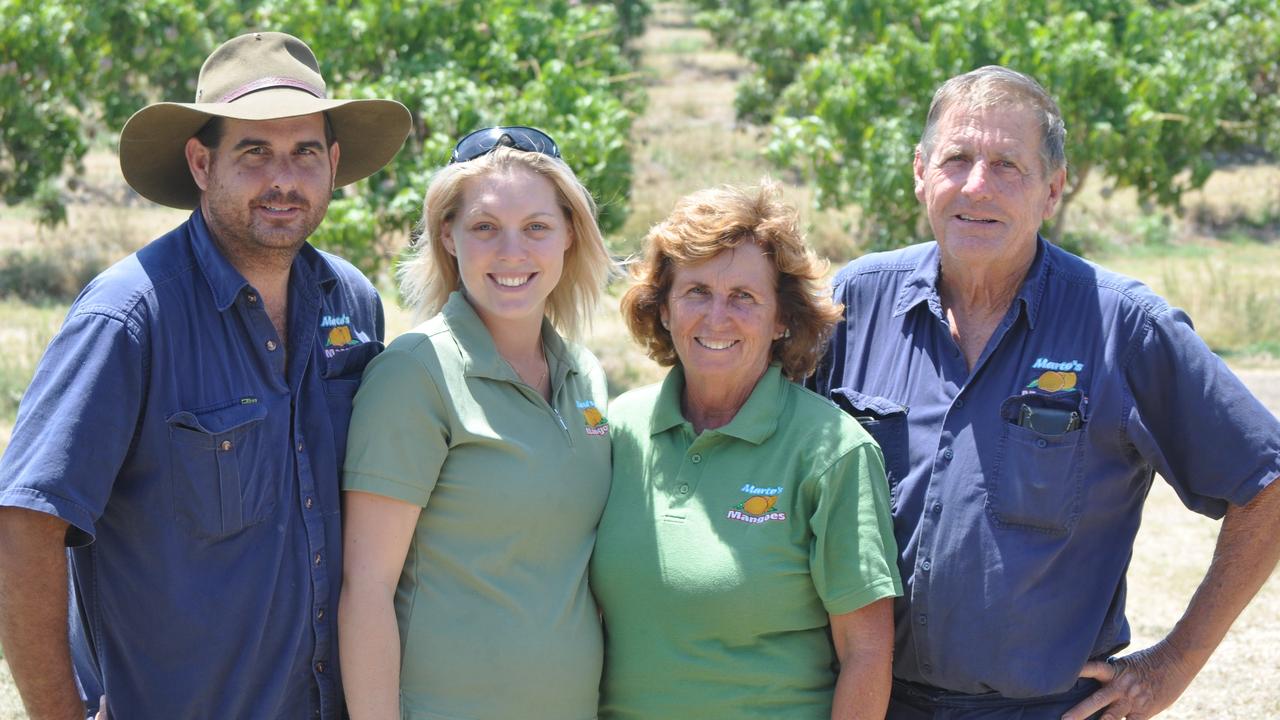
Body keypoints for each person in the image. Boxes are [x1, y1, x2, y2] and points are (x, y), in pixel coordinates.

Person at [808, 65, 1280, 720]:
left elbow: (1266, 483)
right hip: (867, 702)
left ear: (1053, 189)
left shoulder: (1124, 326)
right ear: (920, 172)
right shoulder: (852, 304)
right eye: (957, 159)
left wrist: (1171, 666)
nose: (977, 185)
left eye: (1008, 165)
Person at [0, 32, 410, 719]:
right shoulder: (129, 318)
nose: (284, 178)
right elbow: (25, 524)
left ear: (334, 164)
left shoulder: (352, 304)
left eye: (305, 151)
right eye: (254, 151)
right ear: (201, 161)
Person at [591, 181, 902, 720]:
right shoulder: (618, 430)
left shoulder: (833, 452)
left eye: (743, 297)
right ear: (663, 308)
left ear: (782, 318)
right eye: (696, 292)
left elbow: (867, 652)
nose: (717, 318)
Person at [338, 126, 614, 720]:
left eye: (537, 227)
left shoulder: (585, 374)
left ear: (570, 234)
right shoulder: (415, 373)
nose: (512, 252)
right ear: (448, 236)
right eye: (485, 227)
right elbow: (366, 592)